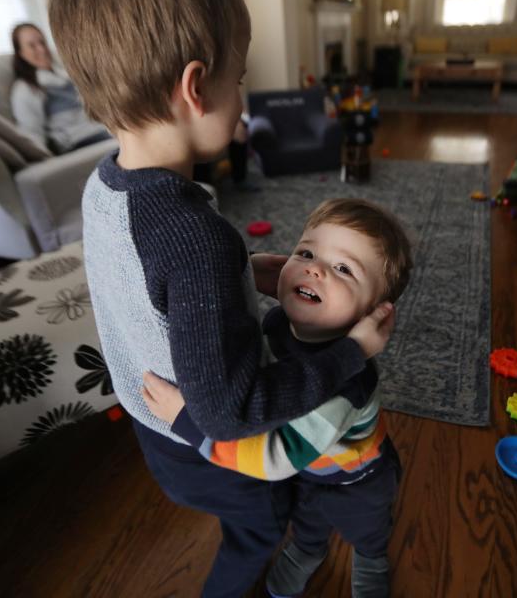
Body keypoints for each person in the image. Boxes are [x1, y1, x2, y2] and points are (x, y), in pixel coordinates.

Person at [46, 0, 396, 597]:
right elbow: (231, 413)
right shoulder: (194, 238)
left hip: (153, 428)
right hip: (201, 442)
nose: (243, 102)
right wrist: (350, 352)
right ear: (195, 88)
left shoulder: (103, 186)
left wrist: (238, 270)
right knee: (260, 531)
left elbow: (144, 284)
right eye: (241, 78)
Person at [142, 198, 412, 598]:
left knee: (365, 526)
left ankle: (372, 558)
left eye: (343, 269)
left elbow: (275, 458)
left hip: (357, 478)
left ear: (372, 315)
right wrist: (243, 273)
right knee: (306, 519)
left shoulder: (346, 385)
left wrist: (188, 422)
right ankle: (307, 550)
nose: (314, 268)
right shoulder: (277, 323)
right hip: (310, 470)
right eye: (306, 252)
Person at [9, 22, 112, 153]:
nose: (41, 49)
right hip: (74, 141)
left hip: (97, 128)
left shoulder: (65, 75)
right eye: (32, 46)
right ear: (21, 53)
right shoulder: (25, 89)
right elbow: (31, 133)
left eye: (42, 42)